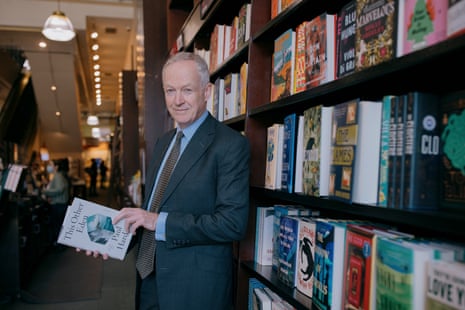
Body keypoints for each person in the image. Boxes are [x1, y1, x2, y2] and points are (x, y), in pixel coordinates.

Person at [80, 52, 250, 309]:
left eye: (187, 90)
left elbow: (232, 224)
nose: (178, 100)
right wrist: (110, 239)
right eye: (170, 91)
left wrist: (159, 221)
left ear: (207, 91)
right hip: (148, 278)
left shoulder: (230, 145)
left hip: (194, 289)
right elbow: (151, 212)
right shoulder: (163, 143)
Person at [43, 158, 70, 246]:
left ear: (56, 167)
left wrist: (45, 191)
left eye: (50, 165)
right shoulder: (58, 175)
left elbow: (59, 189)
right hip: (61, 204)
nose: (49, 167)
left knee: (57, 225)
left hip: (59, 205)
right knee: (59, 225)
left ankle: (59, 244)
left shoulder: (58, 176)